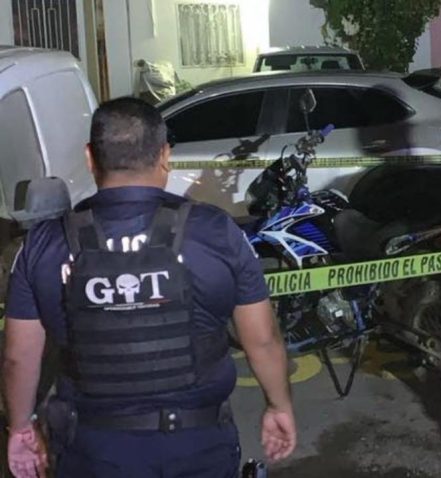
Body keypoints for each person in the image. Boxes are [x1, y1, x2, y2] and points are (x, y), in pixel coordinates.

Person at [3, 98, 296, 477]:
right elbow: (263, 340)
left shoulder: (43, 244)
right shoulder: (217, 232)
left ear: (90, 158)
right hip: (198, 447)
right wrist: (279, 405)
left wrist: (20, 427)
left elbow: (18, 357)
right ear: (165, 156)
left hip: (92, 451)